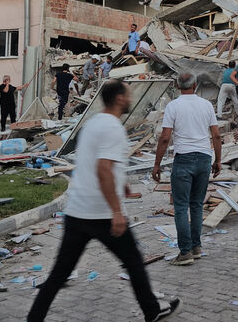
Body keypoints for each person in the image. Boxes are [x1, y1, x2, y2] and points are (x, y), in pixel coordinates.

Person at [28, 80, 180, 322]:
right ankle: (151, 310)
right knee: (133, 261)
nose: (130, 98)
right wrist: (117, 212)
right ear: (119, 98)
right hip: (101, 214)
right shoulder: (113, 128)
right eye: (128, 94)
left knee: (59, 273)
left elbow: (96, 164)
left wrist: (122, 184)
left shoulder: (93, 123)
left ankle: (34, 318)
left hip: (77, 211)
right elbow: (103, 170)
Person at [152, 73, 222, 267]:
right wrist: (218, 160)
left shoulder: (173, 106)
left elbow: (165, 138)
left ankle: (185, 252)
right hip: (204, 158)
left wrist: (157, 164)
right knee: (197, 204)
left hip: (184, 159)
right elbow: (216, 135)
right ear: (196, 85)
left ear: (176, 85)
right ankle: (196, 247)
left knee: (181, 207)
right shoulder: (206, 105)